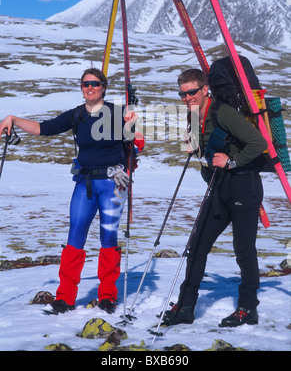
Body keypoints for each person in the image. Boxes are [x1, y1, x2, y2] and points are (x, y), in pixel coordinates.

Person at [0, 68, 141, 314]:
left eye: (95, 83)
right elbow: (44, 128)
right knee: (74, 238)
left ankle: (107, 296)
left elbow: (137, 141)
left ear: (103, 87)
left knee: (108, 239)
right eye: (85, 84)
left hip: (112, 185)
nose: (90, 87)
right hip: (84, 185)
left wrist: (132, 126)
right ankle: (64, 298)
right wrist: (12, 118)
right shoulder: (77, 115)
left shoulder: (118, 113)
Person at [163, 68, 268, 328]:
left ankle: (247, 309)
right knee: (197, 246)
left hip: (244, 184)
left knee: (243, 250)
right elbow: (208, 148)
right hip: (218, 186)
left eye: (192, 92)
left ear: (204, 89)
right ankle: (186, 306)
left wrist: (232, 162)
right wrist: (196, 148)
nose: (187, 97)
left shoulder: (224, 112)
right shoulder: (194, 114)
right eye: (183, 93)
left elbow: (258, 143)